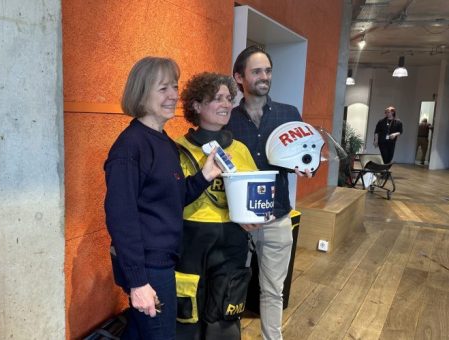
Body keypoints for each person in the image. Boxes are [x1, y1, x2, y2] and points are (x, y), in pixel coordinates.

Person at [104, 57, 222, 340]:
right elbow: (121, 218)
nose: (173, 96)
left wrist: (204, 176)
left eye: (175, 87)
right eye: (163, 89)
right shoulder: (130, 147)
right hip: (147, 267)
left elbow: (171, 198)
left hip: (161, 261)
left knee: (141, 332)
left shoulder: (164, 142)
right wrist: (138, 283)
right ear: (141, 93)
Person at [225, 45, 312, 340]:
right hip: (237, 221)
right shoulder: (228, 120)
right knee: (230, 285)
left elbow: (300, 158)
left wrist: (305, 167)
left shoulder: (289, 115)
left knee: (273, 291)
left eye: (268, 70)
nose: (265, 77)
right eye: (257, 71)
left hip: (277, 217)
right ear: (239, 77)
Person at [174, 72, 258, 340]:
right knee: (187, 308)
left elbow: (255, 195)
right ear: (196, 106)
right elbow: (170, 198)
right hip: (190, 240)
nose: (226, 104)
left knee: (225, 308)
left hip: (231, 239)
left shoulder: (241, 150)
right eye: (217, 99)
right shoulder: (177, 149)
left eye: (228, 99)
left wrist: (256, 217)